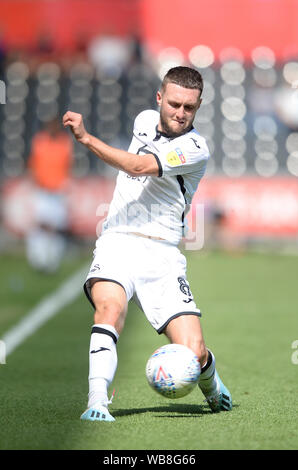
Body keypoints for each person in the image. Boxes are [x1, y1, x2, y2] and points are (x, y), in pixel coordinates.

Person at [63, 66, 232, 422]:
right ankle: (96, 400)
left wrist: (87, 139)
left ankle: (213, 384)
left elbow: (140, 167)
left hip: (162, 255)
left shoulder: (195, 148)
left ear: (198, 107)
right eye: (174, 104)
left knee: (194, 352)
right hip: (118, 241)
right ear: (159, 98)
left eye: (189, 108)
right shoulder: (142, 120)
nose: (180, 113)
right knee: (109, 309)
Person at [26, 118, 73, 273]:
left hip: (58, 191)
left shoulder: (64, 142)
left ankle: (53, 260)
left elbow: (68, 165)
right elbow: (33, 164)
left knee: (56, 227)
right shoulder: (39, 141)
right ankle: (38, 258)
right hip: (43, 190)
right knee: (40, 225)